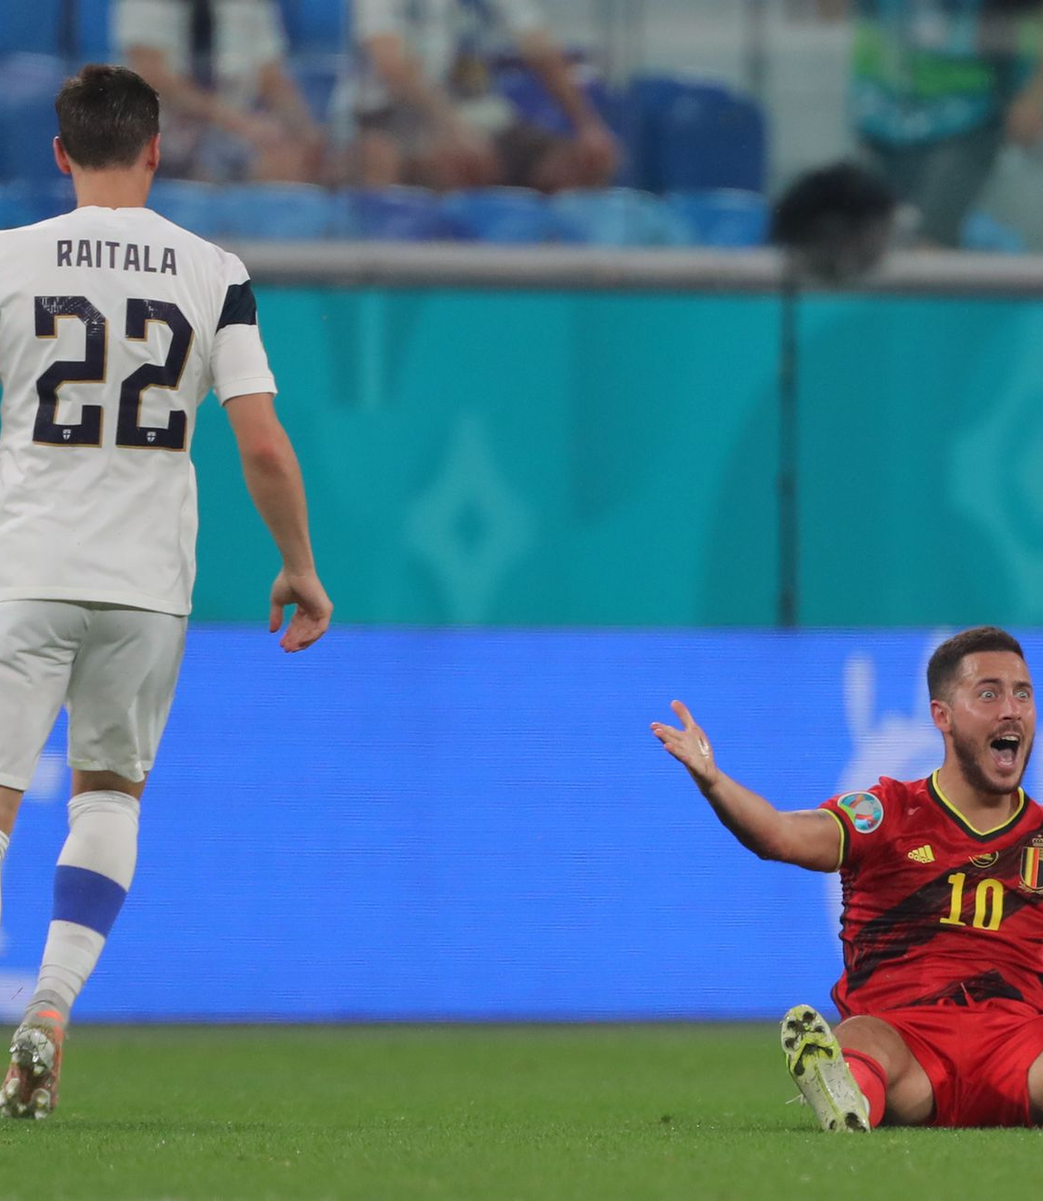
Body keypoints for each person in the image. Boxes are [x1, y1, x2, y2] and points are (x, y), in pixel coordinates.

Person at [0, 64, 333, 1120]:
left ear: (61, 153)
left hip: (25, 566)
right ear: (156, 150)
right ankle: (51, 1006)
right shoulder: (213, 271)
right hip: (146, 585)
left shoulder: (9, 259)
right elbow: (262, 445)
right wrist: (299, 565)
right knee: (107, 796)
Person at [651, 626, 1043, 1130]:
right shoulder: (886, 814)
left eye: (1023, 694)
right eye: (989, 694)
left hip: (1027, 1058)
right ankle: (846, 1096)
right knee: (863, 1038)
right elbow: (779, 834)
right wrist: (715, 782)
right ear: (943, 715)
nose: (1011, 710)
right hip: (909, 1050)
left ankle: (847, 1086)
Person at [812, 0, 1043, 248]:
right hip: (880, 120)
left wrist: (1037, 96)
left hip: (966, 118)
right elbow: (830, 13)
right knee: (873, 245)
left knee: (929, 245)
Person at [344, 0, 618, 191]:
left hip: (484, 117)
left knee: (581, 163)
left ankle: (541, 252)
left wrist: (588, 125)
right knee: (451, 161)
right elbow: (392, 64)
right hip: (399, 114)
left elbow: (540, 48)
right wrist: (453, 128)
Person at [115, 0, 326, 183]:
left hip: (235, 130)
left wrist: (306, 132)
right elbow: (152, 75)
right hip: (164, 129)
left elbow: (271, 76)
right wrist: (240, 124)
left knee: (290, 162)